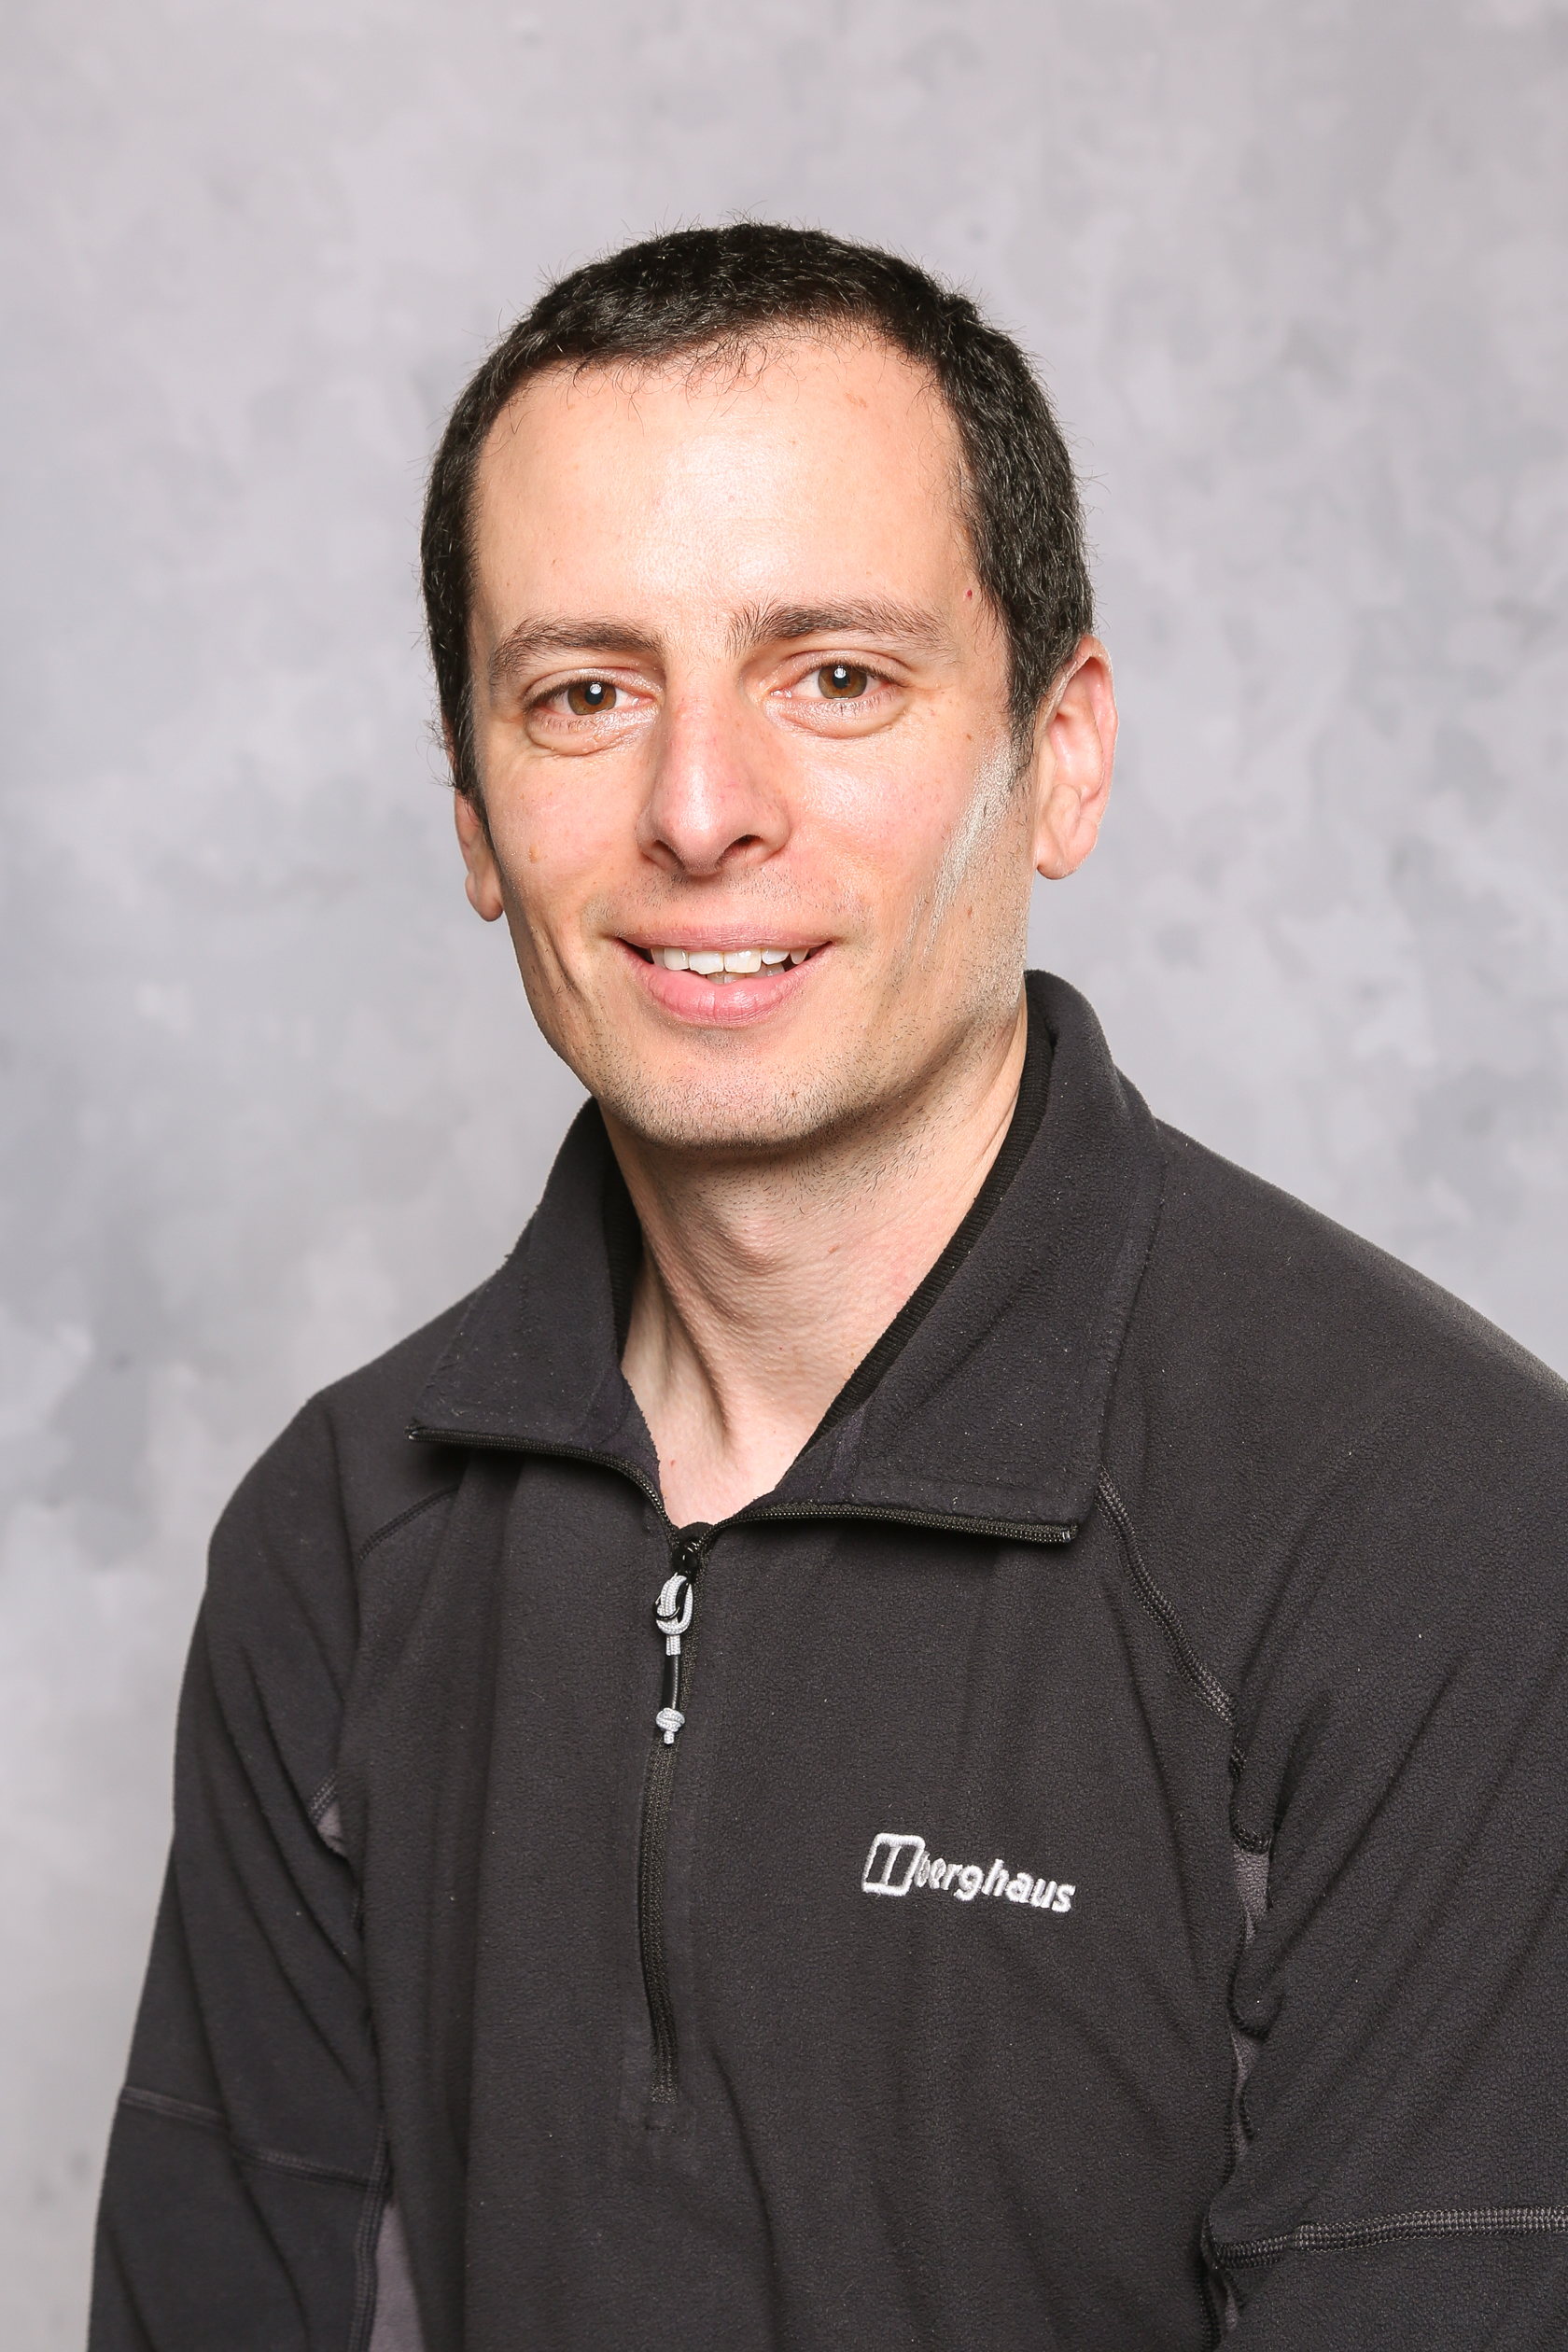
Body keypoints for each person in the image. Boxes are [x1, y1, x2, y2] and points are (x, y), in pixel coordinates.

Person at [89, 224, 1568, 2351]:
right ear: (476, 813)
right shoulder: (337, 1542)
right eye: (586, 694)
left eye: (837, 678)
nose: (700, 812)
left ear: (1062, 753)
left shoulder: (1447, 1540)